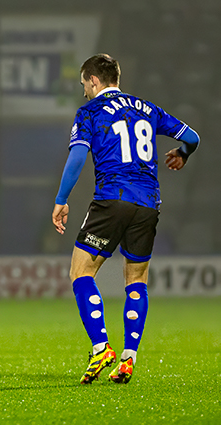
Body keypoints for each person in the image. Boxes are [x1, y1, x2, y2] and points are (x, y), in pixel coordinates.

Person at [51, 54, 200, 385]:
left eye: (83, 85)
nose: (84, 92)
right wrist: (182, 155)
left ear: (93, 80)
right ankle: (128, 358)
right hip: (148, 204)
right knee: (136, 280)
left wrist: (61, 199)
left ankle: (101, 346)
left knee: (81, 271)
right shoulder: (147, 108)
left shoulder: (90, 112)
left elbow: (77, 156)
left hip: (112, 198)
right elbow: (192, 139)